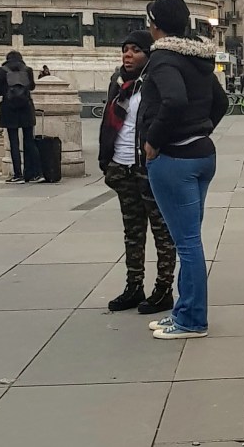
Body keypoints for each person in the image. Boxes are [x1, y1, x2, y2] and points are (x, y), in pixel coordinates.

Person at [140, 0, 228, 339]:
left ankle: (191, 319)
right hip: (202, 154)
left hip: (174, 157)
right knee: (187, 239)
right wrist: (201, 129)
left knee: (187, 242)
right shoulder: (198, 58)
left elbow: (173, 100)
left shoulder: (163, 57)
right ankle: (183, 311)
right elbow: (220, 102)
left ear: (155, 24)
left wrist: (154, 140)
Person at [99, 30, 177, 315]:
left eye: (135, 50)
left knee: (161, 231)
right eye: (125, 49)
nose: (128, 55)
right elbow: (109, 123)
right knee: (132, 232)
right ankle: (134, 286)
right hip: (122, 166)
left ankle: (163, 289)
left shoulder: (154, 84)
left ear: (148, 54)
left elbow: (168, 116)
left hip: (149, 168)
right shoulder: (118, 83)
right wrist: (106, 161)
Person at [0, 50, 43, 183]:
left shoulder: (2, 71)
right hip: (26, 108)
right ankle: (34, 174)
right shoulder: (28, 70)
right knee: (29, 141)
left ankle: (18, 175)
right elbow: (32, 87)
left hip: (9, 109)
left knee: (14, 142)